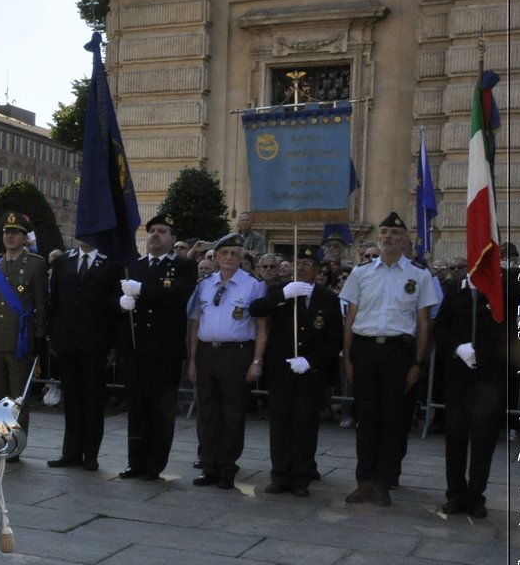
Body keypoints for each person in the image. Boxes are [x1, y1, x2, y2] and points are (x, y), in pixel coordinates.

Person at [339, 211, 442, 506]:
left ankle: (385, 481)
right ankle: (365, 481)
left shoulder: (419, 276)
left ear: (405, 240)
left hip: (398, 352)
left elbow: (424, 324)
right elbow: (350, 318)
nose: (387, 237)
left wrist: (417, 363)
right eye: (383, 232)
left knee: (394, 419)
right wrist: (348, 358)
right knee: (366, 418)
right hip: (366, 349)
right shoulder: (361, 273)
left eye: (394, 234)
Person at [250, 247, 341, 496]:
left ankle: (301, 477)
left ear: (318, 268)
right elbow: (256, 309)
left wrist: (311, 361)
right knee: (279, 424)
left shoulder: (327, 298)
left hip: (310, 373)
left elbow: (334, 341)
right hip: (281, 371)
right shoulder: (280, 291)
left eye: (307, 263)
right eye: (296, 262)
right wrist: (283, 296)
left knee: (305, 424)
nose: (300, 267)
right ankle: (279, 475)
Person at [117, 214, 197, 481]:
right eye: (152, 230)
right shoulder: (134, 265)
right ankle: (134, 461)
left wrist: (142, 291)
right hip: (136, 350)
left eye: (162, 231)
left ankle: (155, 464)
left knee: (161, 411)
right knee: (137, 408)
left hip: (165, 351)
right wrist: (121, 304)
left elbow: (177, 297)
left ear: (172, 238)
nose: (155, 235)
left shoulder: (184, 266)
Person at [187, 233, 268, 488]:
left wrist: (257, 360)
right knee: (207, 412)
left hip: (237, 353)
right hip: (207, 352)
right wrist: (192, 359)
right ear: (216, 256)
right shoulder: (205, 284)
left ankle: (227, 467)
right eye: (224, 253)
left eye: (235, 253)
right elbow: (195, 323)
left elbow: (262, 326)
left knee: (232, 412)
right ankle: (208, 464)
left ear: (242, 256)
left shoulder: (253, 285)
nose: (229, 257)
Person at [46, 238, 123, 471]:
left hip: (96, 343)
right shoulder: (63, 262)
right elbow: (55, 300)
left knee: (92, 400)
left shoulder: (111, 264)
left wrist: (114, 345)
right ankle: (70, 452)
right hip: (67, 341)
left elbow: (114, 308)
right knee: (72, 400)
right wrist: (54, 335)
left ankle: (90, 454)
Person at [0, 214, 48, 421]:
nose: (10, 236)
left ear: (25, 238)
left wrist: (39, 335)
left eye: (15, 233)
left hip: (20, 339)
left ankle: (13, 448)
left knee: (18, 396)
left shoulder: (35, 264)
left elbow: (41, 303)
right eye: (7, 232)